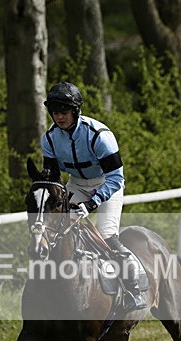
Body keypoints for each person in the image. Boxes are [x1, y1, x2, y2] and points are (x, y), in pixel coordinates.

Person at [41, 81, 147, 311]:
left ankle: (132, 289)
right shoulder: (49, 139)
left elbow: (116, 178)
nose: (59, 118)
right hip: (76, 185)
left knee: (108, 234)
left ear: (76, 111)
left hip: (107, 184)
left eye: (64, 112)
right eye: (55, 113)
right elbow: (52, 179)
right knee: (55, 231)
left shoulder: (99, 135)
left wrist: (93, 202)